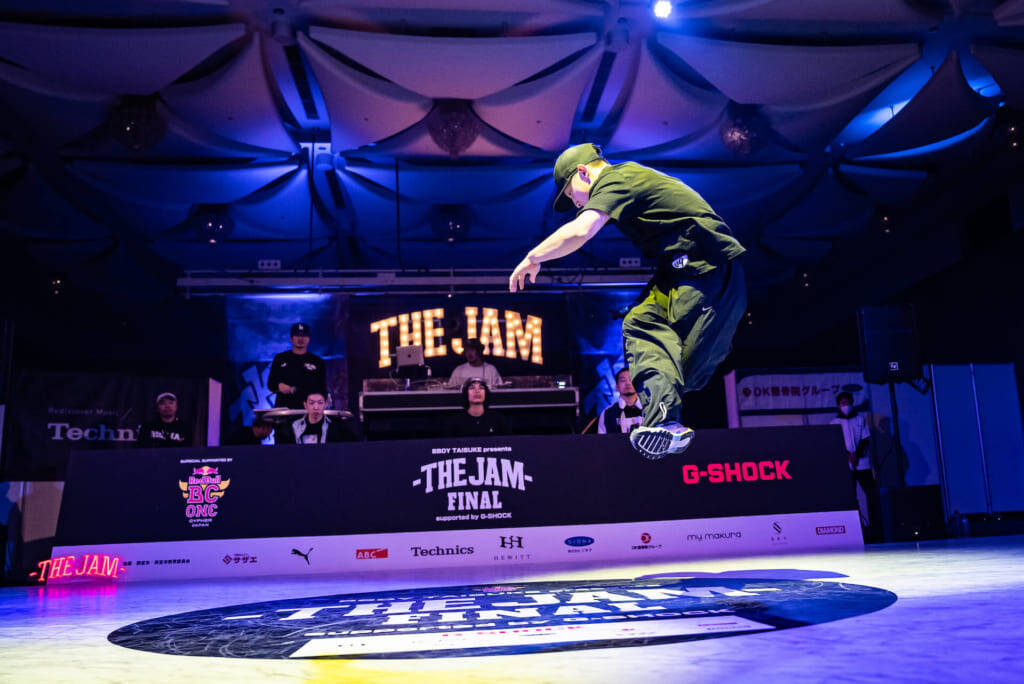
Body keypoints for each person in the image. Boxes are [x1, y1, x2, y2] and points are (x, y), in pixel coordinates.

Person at [509, 143, 746, 459]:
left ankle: (670, 414)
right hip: (675, 274)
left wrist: (533, 257)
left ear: (583, 172)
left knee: (687, 372)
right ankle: (665, 424)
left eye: (570, 193)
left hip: (707, 270)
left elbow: (582, 230)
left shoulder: (617, 178)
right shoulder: (626, 184)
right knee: (639, 324)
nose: (576, 202)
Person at [830, 391, 881, 539]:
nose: (846, 406)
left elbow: (865, 440)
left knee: (871, 493)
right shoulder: (834, 423)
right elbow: (835, 443)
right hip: (846, 466)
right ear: (838, 406)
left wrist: (856, 454)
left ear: (852, 404)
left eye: (848, 403)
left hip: (862, 464)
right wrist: (848, 455)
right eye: (843, 403)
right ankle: (855, 527)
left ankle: (876, 528)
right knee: (850, 496)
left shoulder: (860, 420)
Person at [268, 322, 327, 410]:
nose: (301, 338)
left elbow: (322, 389)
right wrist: (279, 386)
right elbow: (270, 384)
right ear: (291, 338)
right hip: (284, 409)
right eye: (297, 335)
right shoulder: (280, 358)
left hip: (309, 410)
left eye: (304, 335)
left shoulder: (317, 361)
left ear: (309, 339)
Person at [287, 391, 359, 444]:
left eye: (320, 403)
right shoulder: (294, 426)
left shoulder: (337, 426)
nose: (316, 407)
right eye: (311, 403)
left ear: (326, 404)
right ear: (305, 405)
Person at [598, 368, 643, 435]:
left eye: (631, 379)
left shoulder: (650, 410)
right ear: (617, 387)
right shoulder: (607, 413)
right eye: (623, 380)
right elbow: (601, 439)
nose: (628, 383)